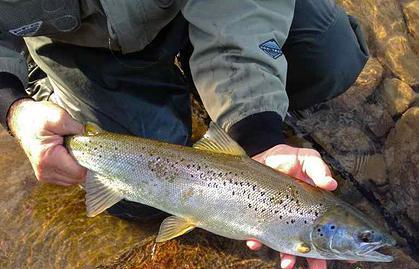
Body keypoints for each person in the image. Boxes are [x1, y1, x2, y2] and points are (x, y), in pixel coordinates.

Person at [0, 0, 368, 268]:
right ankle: (44, 87)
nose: (369, 244)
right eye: (364, 238)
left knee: (330, 55)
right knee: (135, 200)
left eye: (364, 238)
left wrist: (257, 134)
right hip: (81, 44)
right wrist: (12, 106)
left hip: (202, 9)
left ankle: (208, 71)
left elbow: (239, 10)